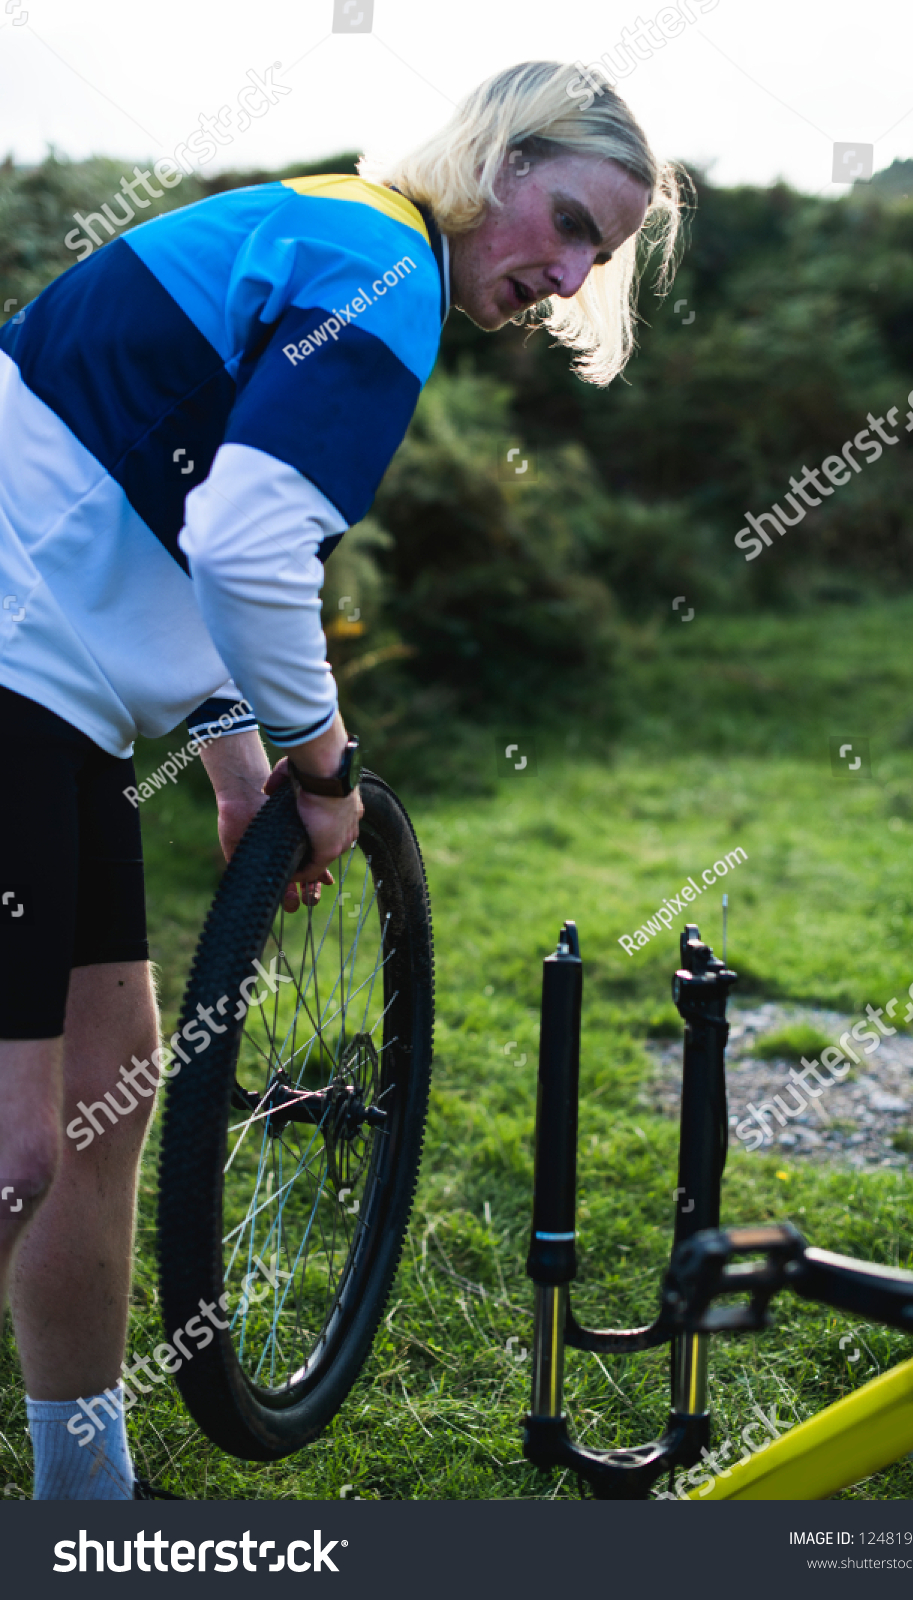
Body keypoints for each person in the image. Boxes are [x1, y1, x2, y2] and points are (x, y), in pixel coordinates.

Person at [0, 59, 685, 1498]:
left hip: (52, 684)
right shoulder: (387, 266)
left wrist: (241, 765)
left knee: (108, 1095)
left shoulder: (350, 239)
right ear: (491, 160)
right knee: (13, 1147)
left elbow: (175, 524)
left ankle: (84, 1495)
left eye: (595, 257)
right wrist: (326, 771)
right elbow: (252, 549)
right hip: (14, 669)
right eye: (560, 221)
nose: (563, 276)